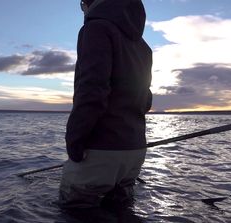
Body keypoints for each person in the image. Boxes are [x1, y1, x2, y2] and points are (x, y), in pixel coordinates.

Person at [59, 0, 152, 210]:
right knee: (121, 211)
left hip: (100, 149)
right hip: (135, 150)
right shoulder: (144, 47)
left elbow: (92, 90)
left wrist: (74, 140)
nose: (82, 9)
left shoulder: (95, 29)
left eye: (82, 3)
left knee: (75, 212)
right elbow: (146, 100)